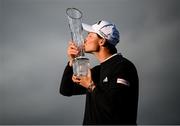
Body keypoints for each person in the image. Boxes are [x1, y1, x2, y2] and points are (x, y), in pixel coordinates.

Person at [60, 20, 139, 125]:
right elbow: (66, 89)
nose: (85, 39)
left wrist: (91, 86)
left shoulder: (123, 66)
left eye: (90, 36)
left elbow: (115, 110)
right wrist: (71, 62)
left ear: (102, 41)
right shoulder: (98, 71)